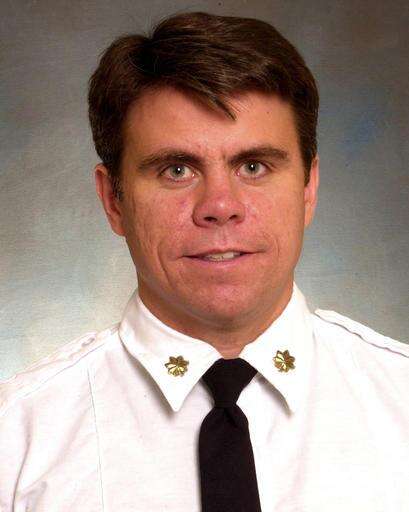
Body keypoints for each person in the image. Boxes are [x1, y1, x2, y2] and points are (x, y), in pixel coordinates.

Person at [0, 10, 408, 512]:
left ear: (308, 189)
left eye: (254, 166)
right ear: (113, 201)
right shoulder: (14, 441)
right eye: (176, 170)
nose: (220, 206)